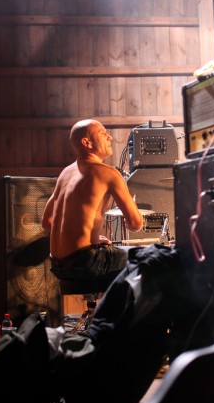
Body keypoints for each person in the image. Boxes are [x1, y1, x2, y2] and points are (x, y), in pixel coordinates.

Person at [42, 119, 143, 281]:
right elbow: (135, 224)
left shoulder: (65, 173)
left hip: (58, 265)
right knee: (151, 258)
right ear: (87, 142)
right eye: (103, 134)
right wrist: (132, 211)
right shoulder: (108, 173)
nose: (110, 137)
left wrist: (88, 240)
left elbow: (47, 221)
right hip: (87, 261)